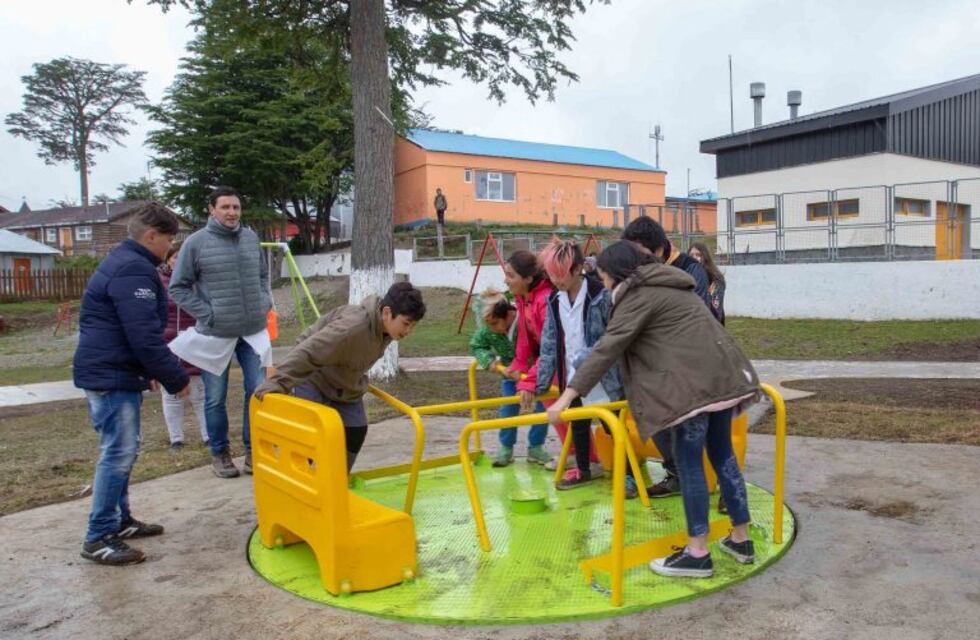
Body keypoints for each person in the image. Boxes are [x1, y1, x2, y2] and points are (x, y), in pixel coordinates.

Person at [546, 240, 759, 578]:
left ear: (615, 274)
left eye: (603, 276)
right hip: (724, 379)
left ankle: (697, 553)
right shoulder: (675, 286)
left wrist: (567, 396)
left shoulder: (637, 296)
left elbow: (607, 349)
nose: (605, 284)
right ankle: (741, 539)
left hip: (694, 391)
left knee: (689, 465)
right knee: (723, 457)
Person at [73, 203, 190, 566]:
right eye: (169, 238)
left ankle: (119, 522)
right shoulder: (134, 270)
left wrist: (146, 370)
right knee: (118, 453)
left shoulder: (128, 263)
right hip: (110, 374)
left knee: (124, 450)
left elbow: (133, 332)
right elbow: (142, 335)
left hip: (116, 370)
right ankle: (98, 537)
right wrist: (175, 376)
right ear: (151, 235)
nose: (171, 245)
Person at [253, 282, 426, 472]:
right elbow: (308, 352)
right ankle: (300, 480)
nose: (408, 331)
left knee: (356, 430)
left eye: (413, 326)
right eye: (406, 323)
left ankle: (336, 482)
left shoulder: (386, 331)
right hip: (314, 374)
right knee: (312, 436)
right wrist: (276, 382)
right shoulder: (352, 328)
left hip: (344, 382)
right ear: (386, 313)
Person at [169, 186, 272, 479]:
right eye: (225, 207)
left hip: (252, 331)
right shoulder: (195, 243)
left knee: (258, 393)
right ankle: (220, 453)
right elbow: (178, 287)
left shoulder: (251, 238)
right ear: (212, 210)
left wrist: (264, 301)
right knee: (215, 398)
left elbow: (264, 276)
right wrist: (208, 313)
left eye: (236, 207)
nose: (231, 213)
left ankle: (254, 452)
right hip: (216, 335)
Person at [621, 216, 712, 499]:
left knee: (707, 430)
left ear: (659, 249)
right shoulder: (644, 273)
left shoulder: (690, 269)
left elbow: (693, 314)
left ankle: (722, 488)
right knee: (654, 415)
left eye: (641, 254)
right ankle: (676, 474)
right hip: (660, 364)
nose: (637, 262)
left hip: (696, 360)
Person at [535, 240, 625, 492]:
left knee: (613, 425)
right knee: (579, 425)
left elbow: (611, 336)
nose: (555, 280)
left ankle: (628, 473)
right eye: (551, 275)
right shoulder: (554, 299)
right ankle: (584, 469)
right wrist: (542, 381)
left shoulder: (600, 295)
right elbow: (550, 340)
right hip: (572, 377)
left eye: (560, 275)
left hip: (604, 375)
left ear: (577, 269)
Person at [469, 288, 551, 467]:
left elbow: (543, 344)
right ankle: (506, 448)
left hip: (536, 374)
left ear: (506, 314)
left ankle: (536, 447)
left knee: (542, 408)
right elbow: (476, 345)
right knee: (508, 410)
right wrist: (491, 363)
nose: (492, 329)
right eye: (488, 325)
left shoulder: (525, 319)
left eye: (494, 323)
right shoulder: (490, 330)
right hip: (510, 375)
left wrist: (533, 373)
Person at [503, 250, 563, 469]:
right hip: (547, 362)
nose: (506, 280)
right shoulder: (523, 298)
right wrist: (519, 361)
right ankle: (574, 454)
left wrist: (530, 379)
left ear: (528, 278)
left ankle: (583, 457)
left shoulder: (544, 300)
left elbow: (552, 347)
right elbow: (524, 335)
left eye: (510, 275)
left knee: (561, 411)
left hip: (559, 361)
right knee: (554, 410)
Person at [158, 243, 208, 449]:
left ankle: (208, 435)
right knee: (170, 393)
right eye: (175, 256)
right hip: (168, 342)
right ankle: (176, 438)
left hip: (193, 340)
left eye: (183, 257)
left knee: (199, 392)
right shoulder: (158, 281)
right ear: (168, 259)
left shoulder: (198, 280)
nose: (179, 260)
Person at [689, 241, 726, 324]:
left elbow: (716, 309)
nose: (694, 258)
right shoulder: (686, 276)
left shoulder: (716, 279)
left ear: (705, 257)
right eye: (691, 255)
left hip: (710, 325)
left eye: (698, 255)